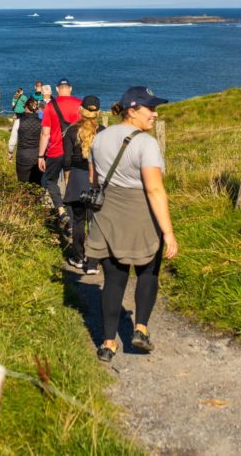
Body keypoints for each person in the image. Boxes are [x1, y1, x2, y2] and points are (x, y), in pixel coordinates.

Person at [86, 86, 178, 363]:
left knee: (114, 280)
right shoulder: (146, 143)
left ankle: (108, 343)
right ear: (132, 110)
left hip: (108, 215)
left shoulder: (99, 139)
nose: (155, 113)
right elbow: (154, 190)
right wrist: (168, 232)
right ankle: (140, 328)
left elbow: (94, 182)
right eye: (150, 108)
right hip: (141, 216)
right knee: (148, 271)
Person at [62, 95, 104, 275]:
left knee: (78, 220)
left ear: (81, 109)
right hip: (96, 178)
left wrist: (67, 177)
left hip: (78, 176)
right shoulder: (103, 131)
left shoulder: (71, 131)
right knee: (94, 221)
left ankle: (78, 257)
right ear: (98, 112)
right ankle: (93, 263)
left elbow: (66, 160)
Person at [38, 78, 81, 217]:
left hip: (55, 150)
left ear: (57, 89)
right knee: (72, 182)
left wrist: (40, 156)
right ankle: (73, 214)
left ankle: (61, 210)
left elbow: (45, 134)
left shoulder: (50, 106)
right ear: (71, 88)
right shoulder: (80, 104)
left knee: (50, 180)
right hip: (75, 151)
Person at [8, 98, 42, 184]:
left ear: (26, 107)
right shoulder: (42, 123)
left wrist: (10, 153)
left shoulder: (18, 122)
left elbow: (12, 141)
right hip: (37, 157)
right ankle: (36, 197)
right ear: (36, 109)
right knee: (37, 183)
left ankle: (24, 196)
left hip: (22, 157)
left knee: (22, 183)